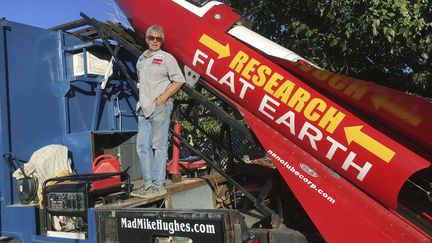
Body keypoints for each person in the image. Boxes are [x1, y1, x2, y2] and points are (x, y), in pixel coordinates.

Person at [133, 25, 185, 198]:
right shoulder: (141, 59)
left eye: (158, 38)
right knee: (142, 147)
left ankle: (158, 184)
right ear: (146, 39)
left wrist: (162, 98)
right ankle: (147, 184)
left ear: (162, 41)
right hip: (143, 107)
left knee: (158, 146)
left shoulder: (167, 58)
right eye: (152, 38)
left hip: (160, 107)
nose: (155, 41)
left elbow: (179, 80)